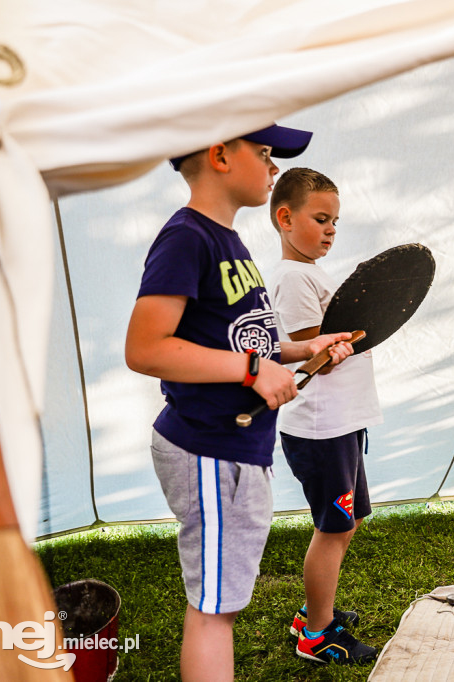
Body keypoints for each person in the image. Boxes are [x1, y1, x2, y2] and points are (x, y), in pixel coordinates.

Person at [124, 125, 354, 682]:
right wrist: (250, 370)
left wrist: (302, 347)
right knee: (214, 612)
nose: (274, 169)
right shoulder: (187, 237)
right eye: (266, 153)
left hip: (238, 448)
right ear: (220, 155)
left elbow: (241, 337)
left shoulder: (229, 242)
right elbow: (145, 348)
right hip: (207, 447)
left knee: (222, 603)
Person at [267, 168, 382, 665]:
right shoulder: (293, 277)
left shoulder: (312, 273)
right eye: (321, 218)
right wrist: (342, 343)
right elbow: (309, 354)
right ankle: (317, 634)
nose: (331, 229)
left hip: (342, 425)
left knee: (346, 524)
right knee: (333, 529)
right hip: (321, 429)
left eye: (335, 220)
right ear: (285, 218)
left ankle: (317, 608)